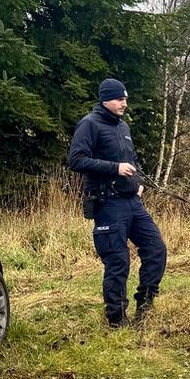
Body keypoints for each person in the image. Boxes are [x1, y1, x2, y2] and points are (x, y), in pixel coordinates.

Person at [68, 78, 167, 327]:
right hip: (107, 203)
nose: (124, 103)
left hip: (132, 201)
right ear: (105, 100)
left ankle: (145, 305)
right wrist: (115, 168)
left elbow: (132, 161)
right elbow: (76, 160)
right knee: (118, 260)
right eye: (119, 99)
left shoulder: (123, 126)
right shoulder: (89, 124)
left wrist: (139, 183)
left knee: (156, 249)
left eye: (125, 99)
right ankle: (116, 318)